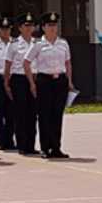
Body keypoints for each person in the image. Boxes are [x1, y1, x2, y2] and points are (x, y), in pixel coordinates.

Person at [24, 12, 72, 158]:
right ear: (43, 27)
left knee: (57, 115)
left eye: (54, 25)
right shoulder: (38, 44)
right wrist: (32, 83)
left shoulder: (63, 43)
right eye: (49, 25)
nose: (52, 28)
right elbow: (26, 62)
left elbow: (68, 63)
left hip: (60, 81)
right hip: (44, 81)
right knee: (44, 115)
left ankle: (56, 147)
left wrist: (69, 80)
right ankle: (45, 147)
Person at [5, 13, 39, 155]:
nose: (29, 28)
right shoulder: (13, 44)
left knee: (32, 113)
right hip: (19, 79)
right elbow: (7, 65)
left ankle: (31, 144)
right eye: (26, 25)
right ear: (20, 28)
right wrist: (6, 83)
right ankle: (22, 145)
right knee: (20, 113)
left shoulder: (37, 43)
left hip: (34, 79)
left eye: (31, 25)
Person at [0, 16, 16, 150]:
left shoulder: (15, 43)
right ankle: (0, 141)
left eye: (8, 29)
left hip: (12, 80)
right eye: (3, 29)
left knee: (12, 112)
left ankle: (10, 140)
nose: (6, 32)